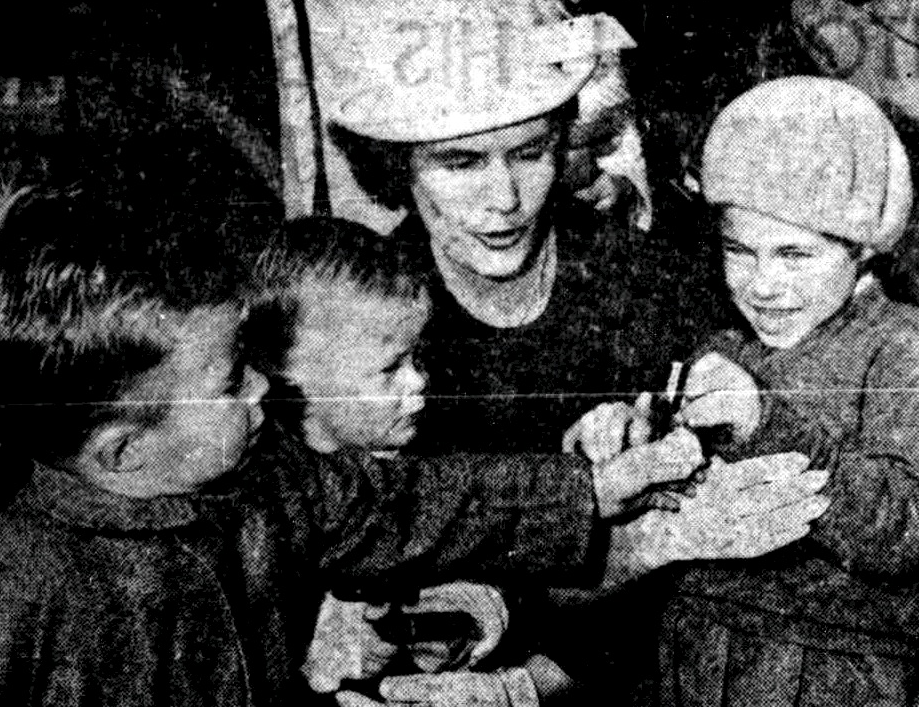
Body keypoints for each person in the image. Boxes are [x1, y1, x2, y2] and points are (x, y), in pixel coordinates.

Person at [240, 216, 831, 707]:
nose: (419, 382)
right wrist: (299, 634)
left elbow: (552, 588)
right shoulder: (262, 500)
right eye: (389, 369)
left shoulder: (441, 460)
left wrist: (486, 615)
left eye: (417, 358)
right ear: (286, 375)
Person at [656, 77, 919, 707]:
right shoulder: (722, 349)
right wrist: (636, 446)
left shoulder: (900, 348)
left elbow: (904, 532)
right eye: (739, 251)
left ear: (863, 250)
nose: (763, 284)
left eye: (794, 255)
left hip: (840, 674)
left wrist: (765, 426)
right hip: (696, 660)